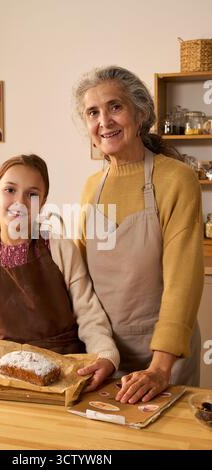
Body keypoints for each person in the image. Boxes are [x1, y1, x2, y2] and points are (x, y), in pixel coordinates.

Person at [73, 66, 204, 403]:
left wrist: (160, 368)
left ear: (140, 113)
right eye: (93, 112)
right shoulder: (91, 187)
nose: (104, 121)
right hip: (104, 355)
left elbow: (183, 281)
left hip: (163, 358)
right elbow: (79, 279)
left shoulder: (176, 180)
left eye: (115, 107)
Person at [0, 154, 120, 391]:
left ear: (43, 203)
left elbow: (89, 315)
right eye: (10, 190)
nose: (20, 202)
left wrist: (105, 355)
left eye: (32, 194)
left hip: (67, 371)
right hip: (7, 376)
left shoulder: (60, 249)